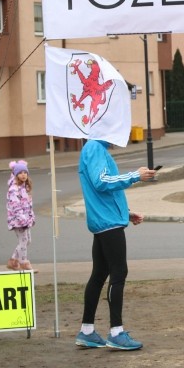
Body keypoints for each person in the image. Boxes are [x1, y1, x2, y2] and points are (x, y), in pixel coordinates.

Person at [74, 139, 156, 351]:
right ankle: (116, 332)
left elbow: (102, 190)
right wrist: (135, 176)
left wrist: (126, 214)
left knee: (100, 274)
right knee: (118, 273)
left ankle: (88, 331)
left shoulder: (94, 148)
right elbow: (102, 182)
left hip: (106, 221)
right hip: (108, 223)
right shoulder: (95, 148)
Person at [5, 160, 36, 272]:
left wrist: (30, 217)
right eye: (20, 173)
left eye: (25, 172)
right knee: (23, 241)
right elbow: (16, 207)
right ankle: (23, 262)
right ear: (15, 174)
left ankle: (13, 260)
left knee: (28, 240)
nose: (23, 175)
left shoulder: (24, 188)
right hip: (18, 221)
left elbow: (28, 205)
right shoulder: (14, 189)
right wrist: (23, 220)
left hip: (26, 220)